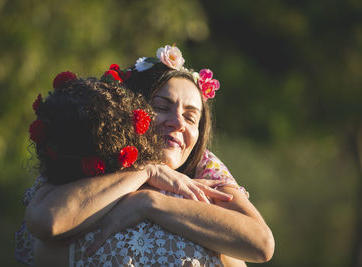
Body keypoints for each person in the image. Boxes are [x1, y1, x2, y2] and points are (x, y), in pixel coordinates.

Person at [16, 45, 274, 266]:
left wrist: (149, 203)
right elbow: (48, 220)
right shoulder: (95, 153)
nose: (177, 123)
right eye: (161, 107)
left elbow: (261, 244)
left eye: (190, 117)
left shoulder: (203, 165)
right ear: (130, 108)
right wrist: (146, 172)